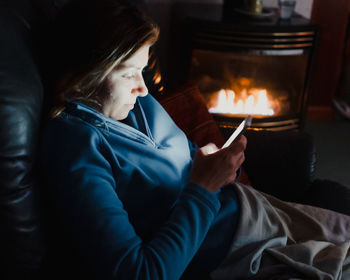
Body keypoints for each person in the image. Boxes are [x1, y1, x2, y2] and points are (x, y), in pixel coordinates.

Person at [40, 0, 350, 279]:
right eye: (127, 74)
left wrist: (214, 166)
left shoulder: (127, 102)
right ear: (84, 77)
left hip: (251, 206)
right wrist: (204, 187)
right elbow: (143, 273)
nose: (144, 89)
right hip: (236, 252)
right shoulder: (76, 152)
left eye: (142, 70)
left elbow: (184, 156)